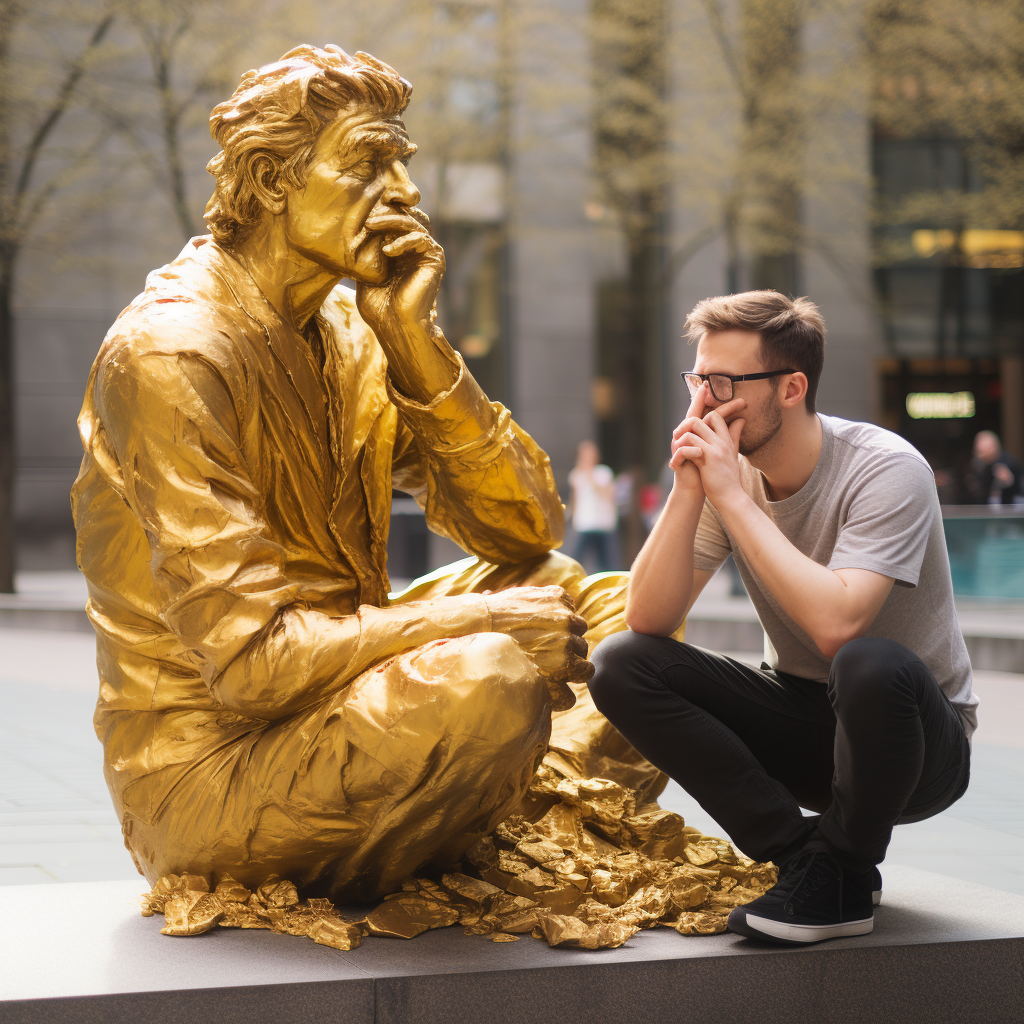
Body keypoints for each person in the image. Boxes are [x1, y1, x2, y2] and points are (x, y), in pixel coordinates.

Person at [71, 46, 655, 902]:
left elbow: (529, 531)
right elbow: (254, 667)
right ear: (273, 180)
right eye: (368, 163)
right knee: (490, 676)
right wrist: (482, 619)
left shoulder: (353, 332)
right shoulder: (169, 356)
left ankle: (478, 806)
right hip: (215, 767)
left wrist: (417, 348)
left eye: (399, 163)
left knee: (621, 615)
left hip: (340, 695)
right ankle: (492, 810)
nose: (407, 195)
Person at [588, 290, 977, 945]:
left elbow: (837, 626)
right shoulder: (721, 476)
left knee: (867, 661)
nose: (706, 401)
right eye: (698, 379)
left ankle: (845, 868)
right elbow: (649, 617)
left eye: (724, 382)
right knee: (621, 662)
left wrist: (732, 498)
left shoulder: (885, 469)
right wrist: (689, 489)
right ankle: (810, 862)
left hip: (914, 742)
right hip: (806, 718)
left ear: (791, 387)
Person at [569, 440, 618, 572]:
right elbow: (575, 498)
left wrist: (589, 474)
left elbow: (608, 495)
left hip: (602, 524)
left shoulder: (604, 473)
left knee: (606, 562)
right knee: (576, 559)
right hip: (584, 523)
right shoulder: (576, 474)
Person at [965, 430, 1023, 505]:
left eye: (983, 452)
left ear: (992, 448)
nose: (980, 455)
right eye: (978, 451)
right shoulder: (980, 464)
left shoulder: (1007, 462)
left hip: (1012, 505)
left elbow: (1010, 483)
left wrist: (1005, 479)